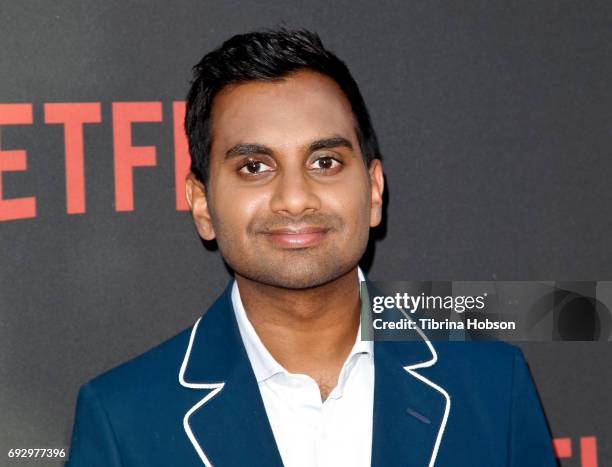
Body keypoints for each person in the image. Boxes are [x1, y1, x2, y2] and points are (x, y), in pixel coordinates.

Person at [66, 28, 557, 467]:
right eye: (254, 167)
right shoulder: (122, 418)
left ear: (373, 191)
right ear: (201, 203)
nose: (295, 199)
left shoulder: (492, 385)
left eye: (324, 162)